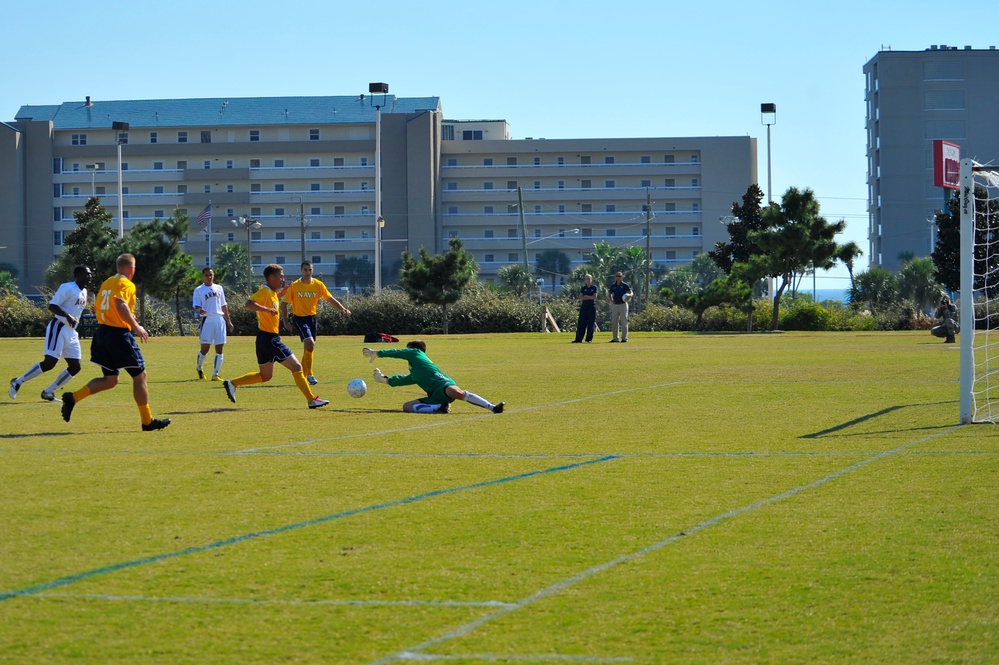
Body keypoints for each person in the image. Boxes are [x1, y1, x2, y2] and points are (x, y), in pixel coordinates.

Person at [61, 254, 170, 431]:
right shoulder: (127, 284)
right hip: (118, 335)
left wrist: (124, 316)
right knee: (140, 376)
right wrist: (136, 326)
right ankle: (147, 421)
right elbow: (120, 304)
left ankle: (73, 397)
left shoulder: (107, 283)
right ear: (132, 269)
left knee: (110, 380)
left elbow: (98, 307)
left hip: (102, 333)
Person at [223, 264, 329, 409]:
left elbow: (272, 299)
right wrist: (267, 309)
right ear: (271, 277)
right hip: (270, 339)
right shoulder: (265, 292)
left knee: (265, 376)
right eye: (280, 276)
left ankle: (233, 383)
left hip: (262, 339)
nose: (283, 279)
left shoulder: (271, 293)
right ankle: (311, 400)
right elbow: (248, 303)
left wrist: (282, 293)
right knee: (297, 367)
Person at [9, 265, 92, 402]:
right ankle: (18, 381)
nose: (89, 277)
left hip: (71, 332)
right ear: (77, 275)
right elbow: (52, 306)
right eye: (86, 274)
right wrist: (67, 316)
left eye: (90, 274)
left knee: (75, 367)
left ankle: (49, 391)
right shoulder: (67, 287)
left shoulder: (84, 291)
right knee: (49, 363)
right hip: (58, 327)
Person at [363, 340, 504, 414]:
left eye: (408, 349)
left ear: (415, 350)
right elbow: (405, 379)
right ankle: (439, 407)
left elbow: (397, 352)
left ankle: (492, 407)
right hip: (434, 397)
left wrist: (378, 353)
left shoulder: (415, 353)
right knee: (407, 406)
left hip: (443, 385)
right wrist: (385, 380)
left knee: (455, 393)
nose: (407, 351)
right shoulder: (415, 369)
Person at [280, 260, 351, 385]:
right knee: (310, 344)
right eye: (305, 270)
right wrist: (285, 322)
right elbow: (284, 304)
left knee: (309, 348)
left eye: (310, 270)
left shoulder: (318, 285)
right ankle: (310, 375)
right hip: (300, 319)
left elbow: (330, 299)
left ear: (312, 271)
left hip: (312, 319)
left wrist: (343, 309)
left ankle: (301, 374)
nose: (308, 272)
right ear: (301, 271)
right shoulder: (295, 286)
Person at [192, 267, 234, 380]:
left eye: (211, 275)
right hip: (207, 320)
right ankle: (199, 368)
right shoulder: (199, 290)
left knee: (220, 347)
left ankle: (216, 374)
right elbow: (196, 305)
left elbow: (224, 305)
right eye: (206, 275)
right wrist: (200, 309)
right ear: (203, 276)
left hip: (219, 320)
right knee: (205, 348)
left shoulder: (219, 288)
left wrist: (228, 321)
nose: (209, 277)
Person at [607, 271, 634, 343]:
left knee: (624, 321)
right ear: (615, 277)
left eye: (620, 276)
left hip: (623, 305)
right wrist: (611, 300)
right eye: (617, 276)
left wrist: (630, 295)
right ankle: (615, 338)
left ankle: (624, 338)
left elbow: (630, 292)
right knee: (614, 322)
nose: (618, 278)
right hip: (615, 305)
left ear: (622, 277)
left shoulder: (625, 285)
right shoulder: (613, 286)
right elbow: (609, 293)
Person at [572, 274, 599, 343]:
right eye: (586, 279)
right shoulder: (583, 288)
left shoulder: (594, 287)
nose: (588, 280)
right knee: (581, 323)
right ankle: (578, 339)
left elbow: (595, 297)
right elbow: (581, 297)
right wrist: (589, 296)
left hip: (591, 306)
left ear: (591, 279)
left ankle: (589, 339)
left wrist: (586, 296)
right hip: (584, 306)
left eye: (589, 279)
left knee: (590, 323)